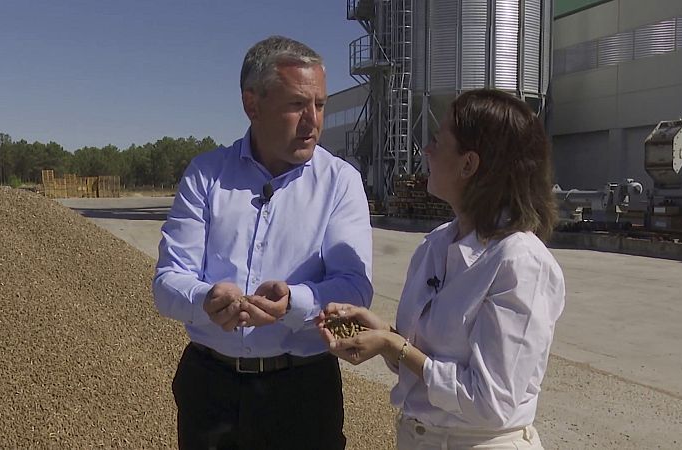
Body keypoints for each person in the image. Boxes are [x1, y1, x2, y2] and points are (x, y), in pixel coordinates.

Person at [152, 35, 373, 450]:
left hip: (301, 392)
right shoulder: (206, 176)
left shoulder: (340, 183)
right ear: (252, 104)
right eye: (296, 105)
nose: (313, 121)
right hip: (211, 390)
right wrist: (206, 299)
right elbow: (166, 284)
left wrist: (293, 302)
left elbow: (356, 289)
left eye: (320, 105)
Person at [319, 89, 565, 449]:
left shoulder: (519, 262)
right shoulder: (435, 245)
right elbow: (426, 363)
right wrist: (382, 336)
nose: (426, 151)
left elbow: (490, 403)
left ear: (469, 164)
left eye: (437, 141)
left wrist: (395, 345)